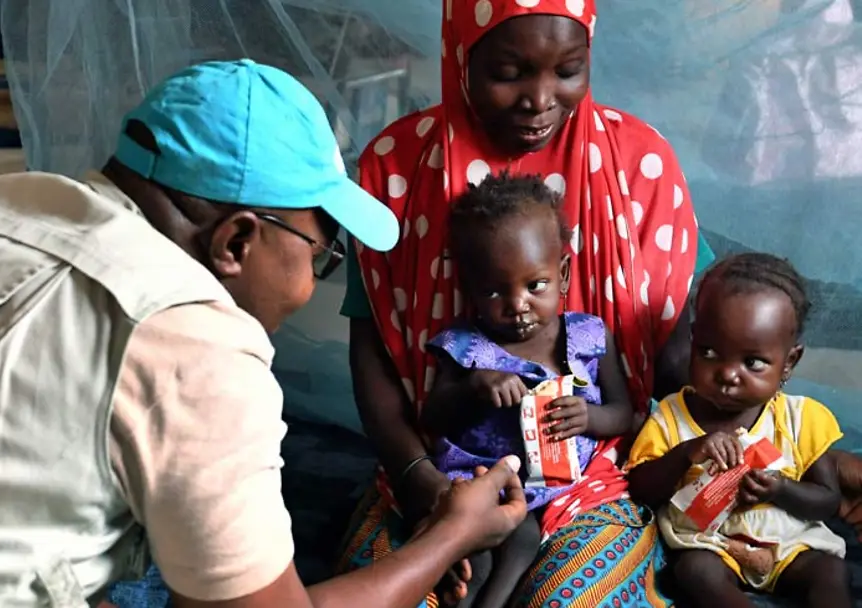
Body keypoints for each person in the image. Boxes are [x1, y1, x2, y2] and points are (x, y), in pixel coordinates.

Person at [0, 59, 533, 608]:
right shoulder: (195, 348)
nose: (311, 285)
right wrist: (450, 534)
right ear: (237, 240)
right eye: (320, 254)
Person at [334, 1, 715, 606]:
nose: (540, 99)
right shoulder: (397, 167)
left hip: (592, 479)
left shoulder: (639, 166)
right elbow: (374, 350)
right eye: (510, 72)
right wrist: (419, 482)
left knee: (571, 599)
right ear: (462, 55)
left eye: (568, 69)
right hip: (440, 471)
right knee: (406, 595)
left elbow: (677, 344)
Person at [419, 172, 635, 607]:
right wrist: (474, 389)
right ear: (469, 290)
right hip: (480, 480)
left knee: (524, 539)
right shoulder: (465, 348)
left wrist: (589, 418)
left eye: (536, 286)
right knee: (474, 558)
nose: (517, 305)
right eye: (494, 291)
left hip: (560, 487)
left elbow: (625, 412)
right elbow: (431, 418)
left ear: (564, 273)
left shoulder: (590, 336)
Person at [627, 253, 850, 608]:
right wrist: (688, 452)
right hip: (712, 546)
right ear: (692, 340)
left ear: (789, 362)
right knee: (693, 572)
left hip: (790, 545)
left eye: (753, 362)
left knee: (831, 574)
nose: (728, 374)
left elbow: (827, 501)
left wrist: (780, 489)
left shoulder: (800, 419)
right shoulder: (671, 416)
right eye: (710, 352)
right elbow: (640, 488)